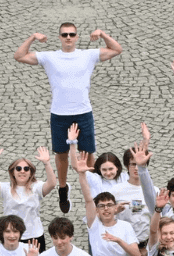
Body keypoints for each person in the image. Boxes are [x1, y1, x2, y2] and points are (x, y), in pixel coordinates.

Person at [12, 23, 123, 211]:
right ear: (60, 37)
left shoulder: (88, 55)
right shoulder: (50, 57)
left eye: (72, 34)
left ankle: (95, 192)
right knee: (61, 154)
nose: (68, 37)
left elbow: (116, 49)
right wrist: (32, 37)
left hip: (83, 112)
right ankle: (63, 188)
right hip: (59, 113)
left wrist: (103, 34)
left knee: (88, 155)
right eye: (65, 35)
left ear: (77, 37)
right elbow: (19, 56)